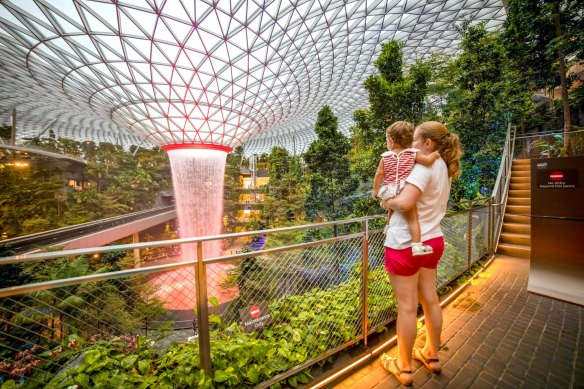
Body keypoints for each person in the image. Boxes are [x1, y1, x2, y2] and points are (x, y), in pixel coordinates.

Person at [378, 121, 462, 386]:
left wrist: (384, 200)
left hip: (405, 245)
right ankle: (432, 355)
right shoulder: (444, 168)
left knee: (406, 306)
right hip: (432, 242)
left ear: (428, 143)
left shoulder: (420, 168)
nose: (412, 145)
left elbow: (404, 202)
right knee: (430, 299)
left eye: (416, 140)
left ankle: (403, 367)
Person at [372, 121, 440, 256]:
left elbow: (379, 174)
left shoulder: (385, 157)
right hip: (404, 189)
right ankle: (416, 245)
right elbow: (427, 161)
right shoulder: (412, 154)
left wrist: (375, 190)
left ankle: (389, 227)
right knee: (413, 219)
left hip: (390, 190)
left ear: (391, 140)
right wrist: (435, 155)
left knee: (392, 208)